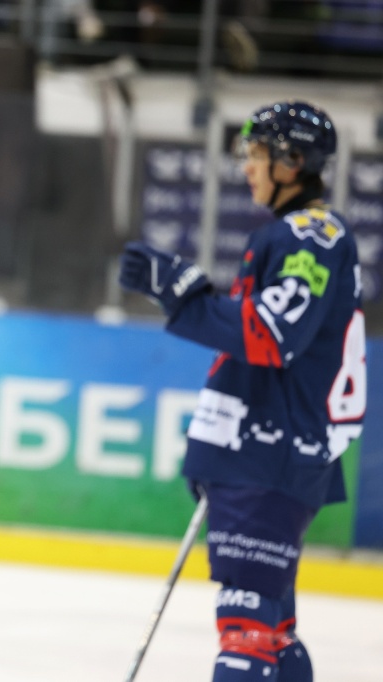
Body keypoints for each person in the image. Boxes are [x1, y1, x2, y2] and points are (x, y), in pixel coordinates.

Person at [119, 101, 364, 682]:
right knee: (271, 630)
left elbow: (273, 334)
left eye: (257, 155)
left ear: (294, 161)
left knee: (247, 631)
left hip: (267, 452)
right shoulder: (301, 235)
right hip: (269, 449)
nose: (247, 168)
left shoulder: (309, 238)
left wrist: (183, 293)